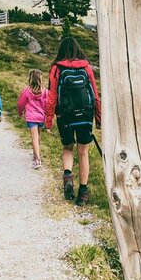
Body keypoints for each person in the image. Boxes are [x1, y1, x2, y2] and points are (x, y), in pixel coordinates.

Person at [45, 37, 101, 206]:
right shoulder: (86, 67)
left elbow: (52, 95)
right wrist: (98, 118)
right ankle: (83, 193)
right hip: (85, 115)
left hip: (65, 115)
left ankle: (68, 175)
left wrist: (48, 121)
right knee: (83, 152)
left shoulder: (56, 68)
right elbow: (95, 94)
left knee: (68, 147)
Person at [17, 69, 48, 169]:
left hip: (31, 117)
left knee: (34, 137)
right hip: (41, 117)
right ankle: (36, 155)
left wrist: (20, 113)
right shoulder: (45, 91)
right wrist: (47, 115)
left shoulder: (27, 91)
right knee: (38, 136)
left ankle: (37, 159)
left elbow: (20, 104)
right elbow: (47, 105)